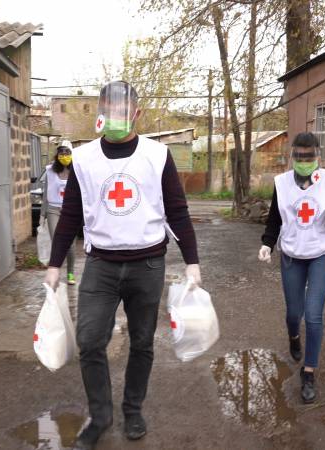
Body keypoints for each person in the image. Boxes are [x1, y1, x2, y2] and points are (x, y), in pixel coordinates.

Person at [44, 80, 201, 450]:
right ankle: (100, 416)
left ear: (136, 113)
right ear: (100, 114)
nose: (114, 117)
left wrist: (192, 262)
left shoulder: (157, 155)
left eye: (121, 111)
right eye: (108, 111)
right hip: (101, 266)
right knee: (89, 340)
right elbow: (70, 217)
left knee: (143, 342)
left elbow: (177, 211)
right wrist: (54, 265)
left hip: (148, 265)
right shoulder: (83, 159)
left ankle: (133, 409)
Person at [258, 132, 325, 404]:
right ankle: (294, 336)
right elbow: (274, 220)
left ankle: (309, 372)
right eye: (299, 157)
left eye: (309, 156)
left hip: (321, 255)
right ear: (293, 156)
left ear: (318, 155)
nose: (304, 161)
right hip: (292, 255)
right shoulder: (281, 183)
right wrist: (268, 244)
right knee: (295, 313)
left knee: (313, 315)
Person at [40, 140, 76, 284]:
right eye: (61, 152)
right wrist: (42, 215)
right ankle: (55, 271)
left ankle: (71, 273)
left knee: (70, 244)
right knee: (57, 239)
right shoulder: (50, 170)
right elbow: (45, 194)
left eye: (67, 152)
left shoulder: (77, 170)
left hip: (70, 210)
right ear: (57, 154)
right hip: (53, 209)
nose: (64, 155)